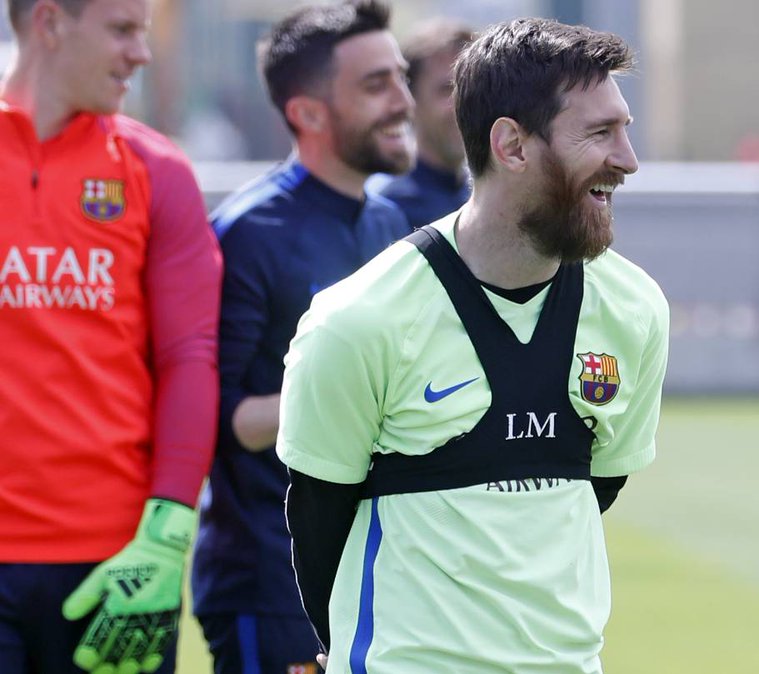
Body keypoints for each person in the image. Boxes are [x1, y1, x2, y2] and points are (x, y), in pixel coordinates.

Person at [276, 17, 669, 672]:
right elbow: (318, 525)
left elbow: (597, 488)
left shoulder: (634, 309)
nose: (627, 159)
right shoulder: (358, 320)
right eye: (600, 133)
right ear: (511, 145)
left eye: (624, 130)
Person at [189, 2, 415, 673]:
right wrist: (344, 387)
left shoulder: (391, 225)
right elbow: (218, 419)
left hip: (371, 573)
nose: (402, 101)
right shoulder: (249, 233)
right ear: (308, 113)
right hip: (269, 585)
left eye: (401, 77)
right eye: (376, 84)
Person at [0, 0, 222, 672]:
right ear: (48, 22)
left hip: (120, 565)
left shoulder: (157, 169)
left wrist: (168, 532)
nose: (141, 54)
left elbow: (190, 357)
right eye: (122, 30)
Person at [370, 17, 473, 228]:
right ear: (410, 101)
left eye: (470, 86)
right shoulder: (386, 207)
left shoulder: (487, 197)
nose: (463, 103)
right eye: (446, 89)